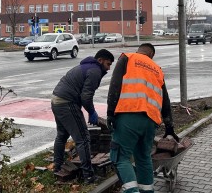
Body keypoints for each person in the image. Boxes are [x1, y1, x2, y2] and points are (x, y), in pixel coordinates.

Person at [106, 43, 177, 193]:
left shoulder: (128, 58)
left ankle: (132, 191)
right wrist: (169, 126)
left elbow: (115, 85)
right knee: (144, 158)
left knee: (121, 157)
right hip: (151, 121)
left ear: (139, 51)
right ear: (151, 55)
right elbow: (165, 101)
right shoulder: (157, 69)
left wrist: (110, 112)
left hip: (128, 115)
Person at [51, 48, 115, 184]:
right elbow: (86, 97)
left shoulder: (87, 67)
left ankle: (57, 168)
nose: (108, 69)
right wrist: (92, 112)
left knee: (62, 136)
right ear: (100, 60)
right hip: (67, 103)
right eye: (108, 64)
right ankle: (89, 176)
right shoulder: (95, 71)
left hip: (57, 100)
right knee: (83, 139)